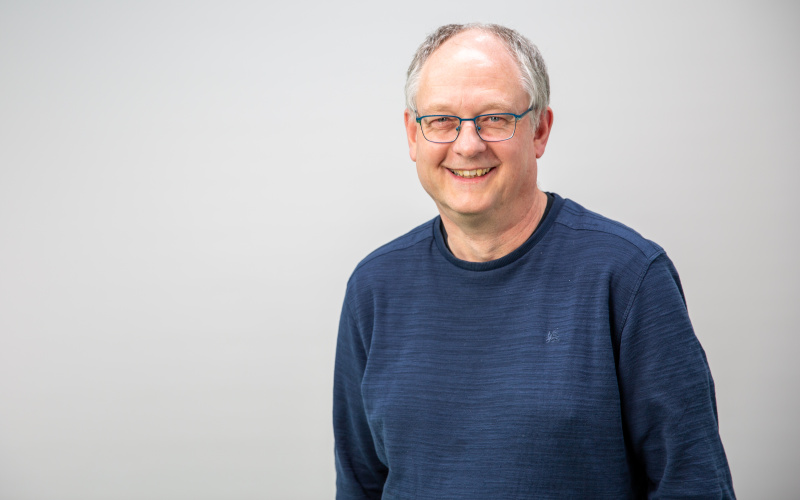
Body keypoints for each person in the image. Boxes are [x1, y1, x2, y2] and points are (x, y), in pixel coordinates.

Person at [333, 23, 734, 499]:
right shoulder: (374, 288)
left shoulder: (628, 278)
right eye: (441, 120)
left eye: (495, 118)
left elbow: (693, 485)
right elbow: (359, 486)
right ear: (412, 134)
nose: (467, 145)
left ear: (540, 130)